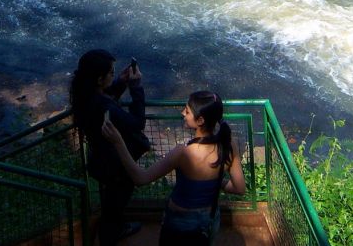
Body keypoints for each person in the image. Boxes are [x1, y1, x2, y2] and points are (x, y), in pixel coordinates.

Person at [101, 91, 245, 245]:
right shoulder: (229, 146)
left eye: (187, 111)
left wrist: (118, 142)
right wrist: (215, 181)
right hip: (208, 220)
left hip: (180, 223)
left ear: (200, 120)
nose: (183, 113)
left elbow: (140, 178)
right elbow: (239, 188)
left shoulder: (183, 153)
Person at [70, 49, 149, 244]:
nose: (114, 74)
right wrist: (136, 87)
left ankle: (113, 229)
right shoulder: (103, 107)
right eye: (111, 73)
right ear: (99, 79)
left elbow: (105, 97)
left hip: (100, 159)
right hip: (115, 165)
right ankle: (112, 233)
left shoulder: (85, 95)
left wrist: (121, 82)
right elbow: (137, 122)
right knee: (116, 202)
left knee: (111, 202)